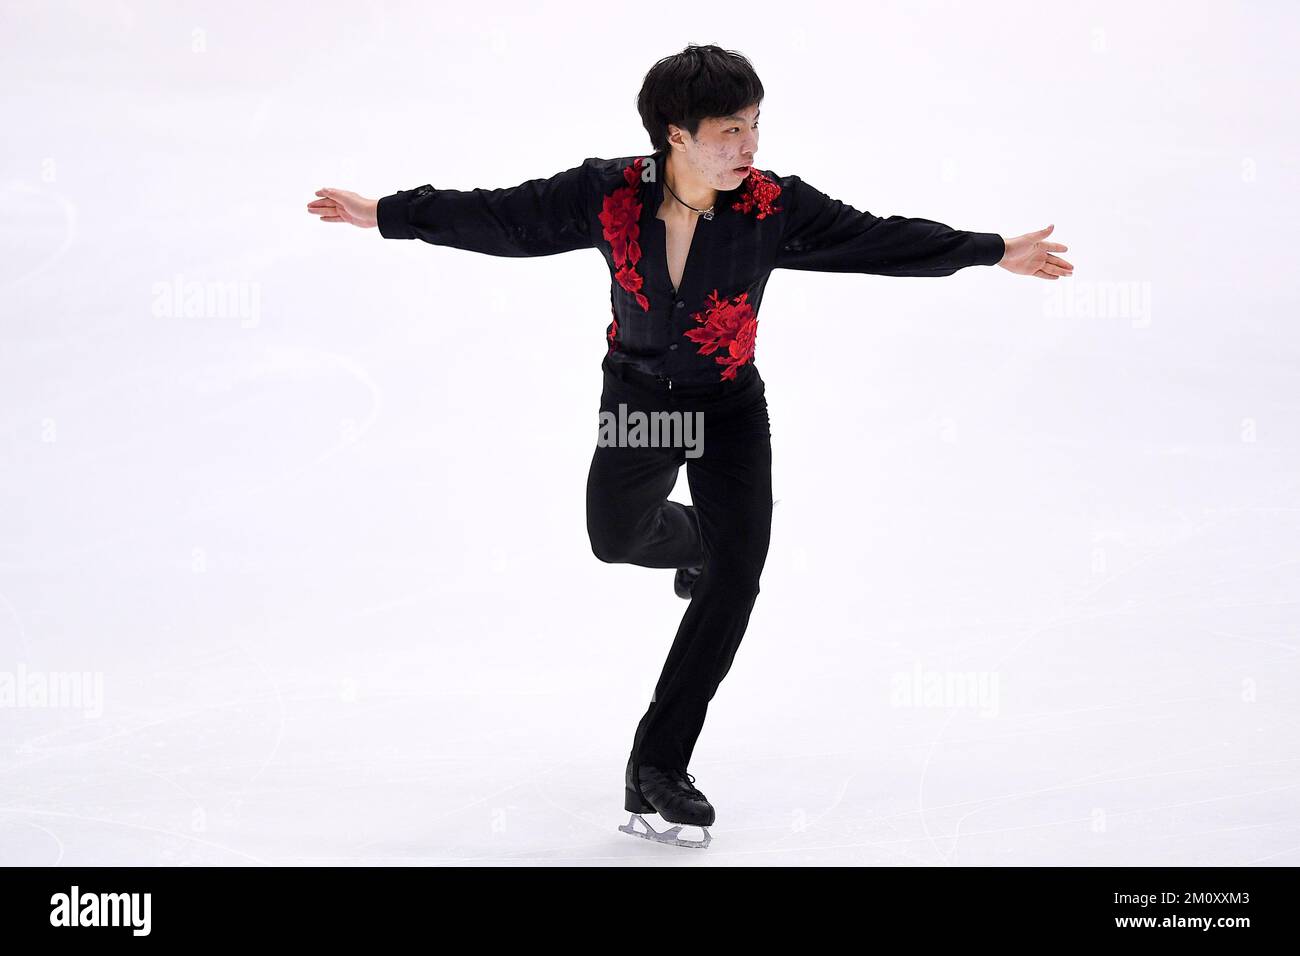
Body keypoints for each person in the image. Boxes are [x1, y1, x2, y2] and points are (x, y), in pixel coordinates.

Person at [306, 44, 1073, 848]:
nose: (749, 146)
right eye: (729, 130)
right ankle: (701, 541)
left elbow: (878, 239)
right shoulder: (606, 194)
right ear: (675, 136)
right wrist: (385, 213)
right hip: (643, 403)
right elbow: (505, 215)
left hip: (730, 408)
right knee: (618, 538)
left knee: (737, 579)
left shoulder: (773, 205)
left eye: (754, 125)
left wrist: (993, 250)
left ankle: (660, 764)